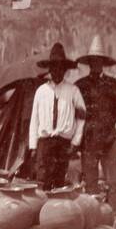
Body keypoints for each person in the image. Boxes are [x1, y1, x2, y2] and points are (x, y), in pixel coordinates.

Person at [75, 36, 116, 217]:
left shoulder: (114, 85)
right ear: (89, 63)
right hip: (88, 141)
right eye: (93, 61)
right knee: (90, 183)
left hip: (110, 138)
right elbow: (75, 113)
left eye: (99, 61)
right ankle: (92, 219)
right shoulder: (79, 86)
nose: (96, 64)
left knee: (113, 181)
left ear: (103, 63)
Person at [28, 43, 86, 190]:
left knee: (59, 178)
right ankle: (43, 211)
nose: (57, 71)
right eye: (54, 67)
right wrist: (33, 145)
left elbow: (82, 117)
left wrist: (75, 141)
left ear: (65, 70)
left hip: (63, 142)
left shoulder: (73, 91)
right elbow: (34, 119)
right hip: (45, 142)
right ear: (50, 69)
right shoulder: (41, 91)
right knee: (42, 179)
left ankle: (56, 212)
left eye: (61, 68)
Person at [0, 61, 45, 178]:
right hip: (25, 121)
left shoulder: (24, 85)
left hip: (25, 121)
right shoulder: (34, 85)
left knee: (23, 150)